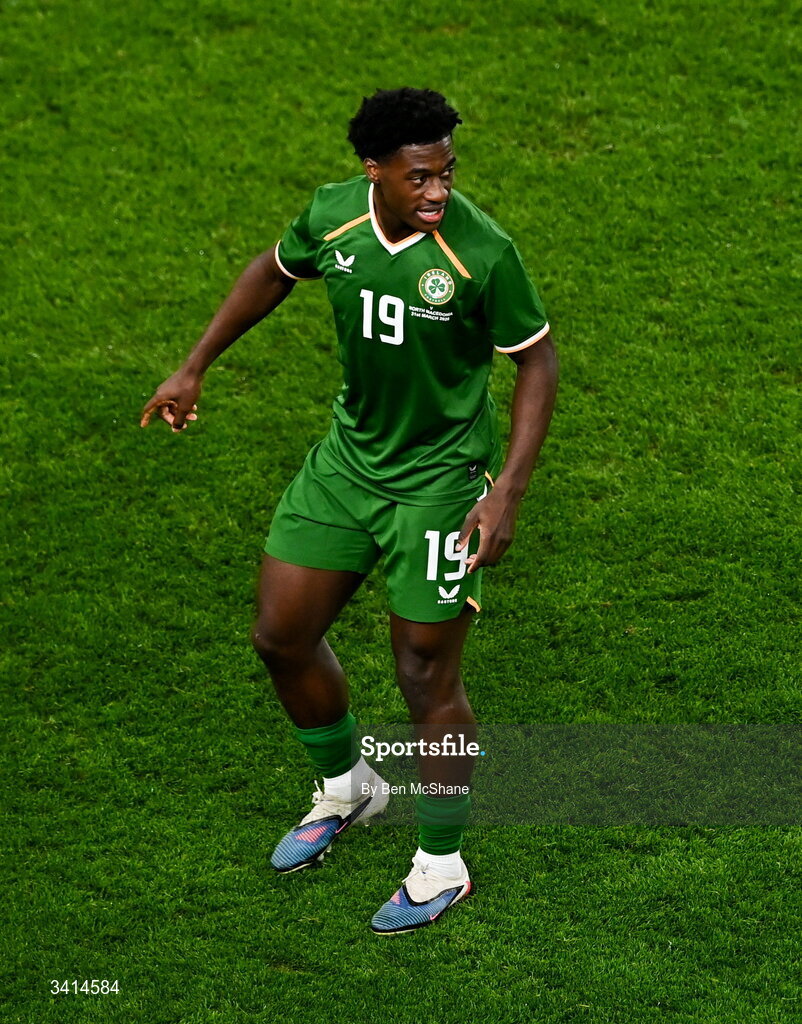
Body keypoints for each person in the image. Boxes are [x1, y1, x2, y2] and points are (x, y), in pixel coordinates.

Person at [141, 87, 558, 934]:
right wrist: (194, 367)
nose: (438, 191)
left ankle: (442, 863)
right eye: (420, 176)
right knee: (280, 635)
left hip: (440, 484)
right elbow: (272, 271)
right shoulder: (334, 217)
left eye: (447, 172)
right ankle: (348, 788)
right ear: (373, 171)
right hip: (346, 464)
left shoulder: (482, 252)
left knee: (424, 673)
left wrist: (506, 489)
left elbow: (537, 362)